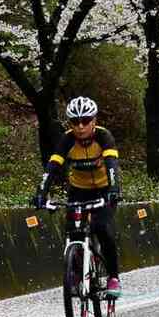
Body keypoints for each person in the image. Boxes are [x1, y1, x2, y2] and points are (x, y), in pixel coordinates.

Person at [34, 96, 123, 297]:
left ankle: (113, 277)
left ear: (94, 120)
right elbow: (53, 166)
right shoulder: (67, 140)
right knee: (73, 231)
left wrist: (114, 189)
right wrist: (41, 192)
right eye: (75, 122)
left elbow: (111, 165)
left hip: (104, 188)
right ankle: (75, 273)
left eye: (85, 121)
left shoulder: (104, 136)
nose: (80, 126)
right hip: (79, 190)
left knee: (102, 228)